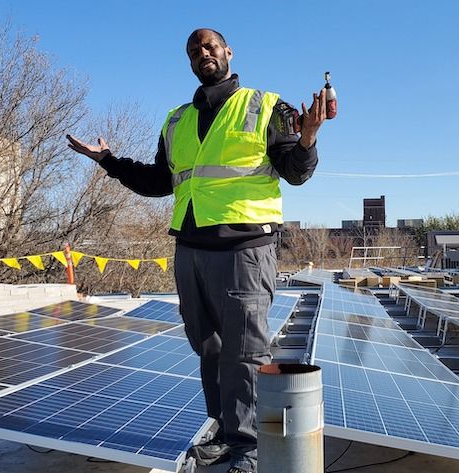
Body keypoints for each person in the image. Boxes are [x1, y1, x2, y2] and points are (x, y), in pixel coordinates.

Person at [66, 27, 326, 473]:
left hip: (244, 249)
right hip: (189, 250)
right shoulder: (176, 120)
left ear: (227, 52)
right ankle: (226, 434)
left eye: (209, 46)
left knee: (245, 351)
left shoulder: (266, 107)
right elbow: (157, 182)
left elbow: (295, 173)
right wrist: (107, 161)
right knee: (207, 345)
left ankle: (250, 449)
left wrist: (307, 140)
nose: (202, 53)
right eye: (193, 50)